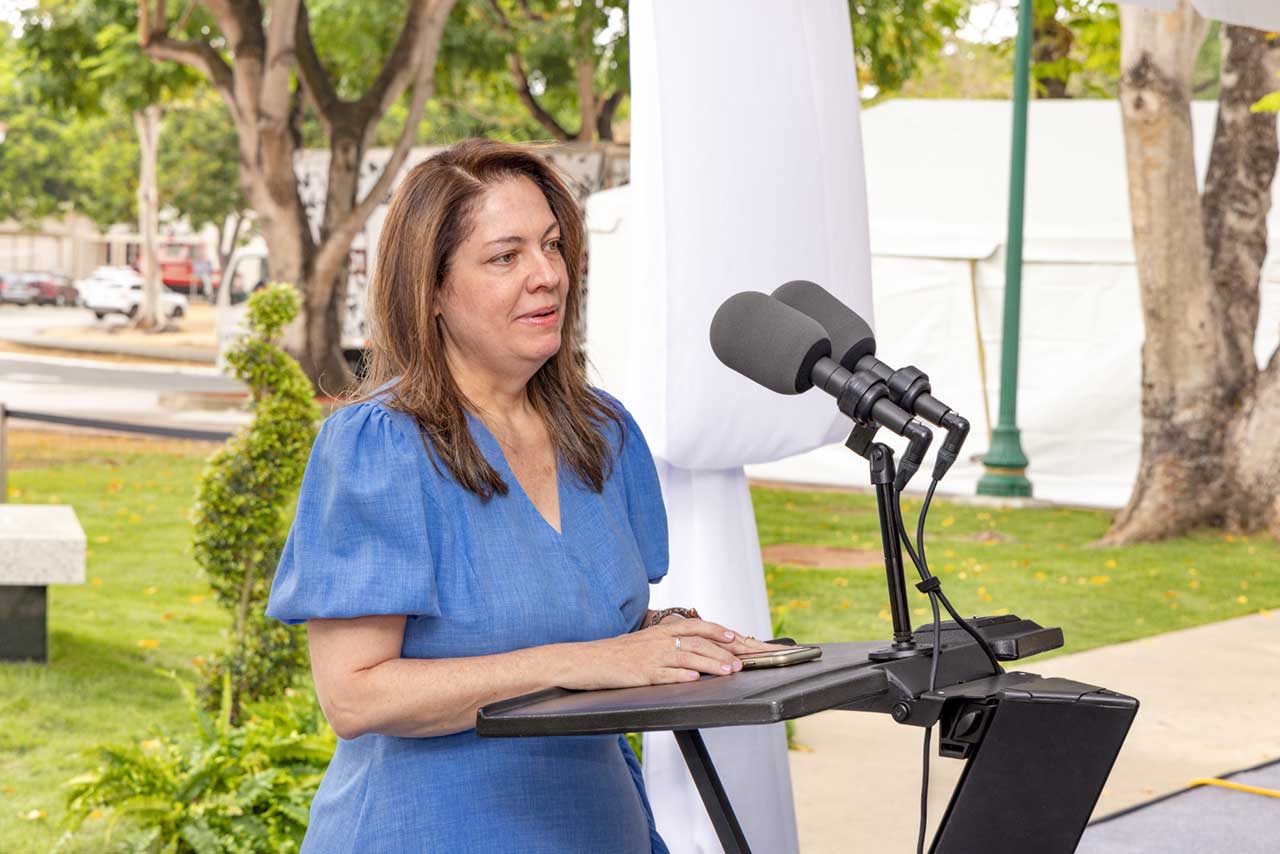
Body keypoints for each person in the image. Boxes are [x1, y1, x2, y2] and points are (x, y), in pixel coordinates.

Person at [265, 139, 783, 853]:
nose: (547, 276)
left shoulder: (602, 432)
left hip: (600, 828)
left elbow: (575, 612)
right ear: (432, 291)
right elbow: (355, 695)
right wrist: (582, 661)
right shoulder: (380, 447)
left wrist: (677, 639)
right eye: (505, 257)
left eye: (552, 245)